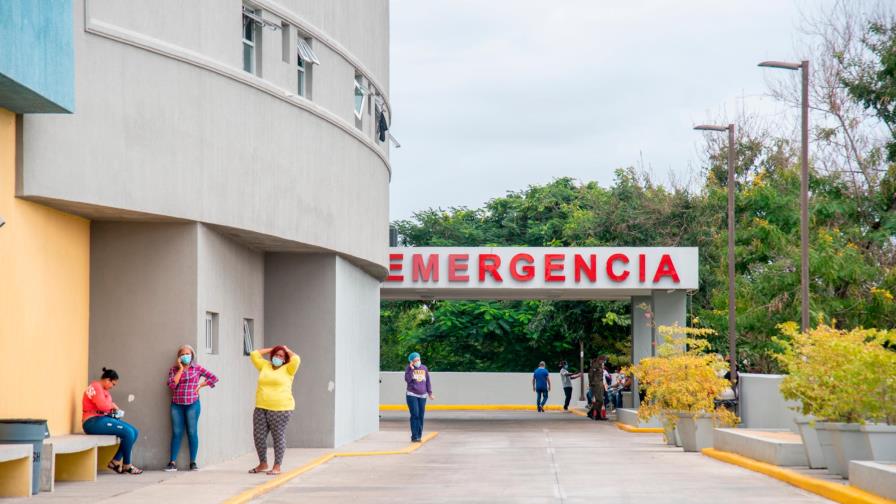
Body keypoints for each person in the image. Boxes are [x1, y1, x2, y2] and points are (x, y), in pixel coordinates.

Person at [165, 344, 219, 472]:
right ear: (179, 357)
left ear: (192, 355)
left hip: (192, 404)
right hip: (177, 405)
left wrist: (200, 386)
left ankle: (193, 462)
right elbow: (172, 385)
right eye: (182, 354)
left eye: (187, 354)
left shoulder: (197, 368)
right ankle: (172, 462)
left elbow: (214, 378)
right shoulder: (174, 369)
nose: (185, 356)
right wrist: (180, 369)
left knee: (192, 432)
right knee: (177, 433)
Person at [248, 345, 300, 476]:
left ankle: (277, 466)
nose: (278, 357)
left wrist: (286, 350)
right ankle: (263, 464)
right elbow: (254, 354)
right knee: (258, 437)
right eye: (276, 355)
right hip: (261, 407)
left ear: (285, 359)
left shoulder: (289, 369)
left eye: (281, 356)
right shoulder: (265, 366)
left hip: (280, 408)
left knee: (278, 437)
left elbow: (296, 359)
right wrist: (272, 349)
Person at [81, 368, 143, 474]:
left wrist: (115, 412)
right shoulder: (96, 386)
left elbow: (106, 409)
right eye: (113, 384)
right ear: (107, 380)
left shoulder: (104, 391)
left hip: (102, 419)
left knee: (134, 432)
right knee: (128, 433)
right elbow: (103, 406)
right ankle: (127, 465)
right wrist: (112, 405)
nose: (112, 387)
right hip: (92, 422)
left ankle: (115, 461)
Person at [405, 352, 434, 442]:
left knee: (421, 416)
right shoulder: (409, 368)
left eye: (418, 359)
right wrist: (411, 369)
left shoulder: (424, 368)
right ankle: (414, 436)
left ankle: (419, 436)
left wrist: (430, 393)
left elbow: (428, 381)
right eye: (415, 360)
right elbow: (407, 380)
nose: (417, 361)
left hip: (423, 395)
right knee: (415, 415)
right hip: (412, 395)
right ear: (411, 362)